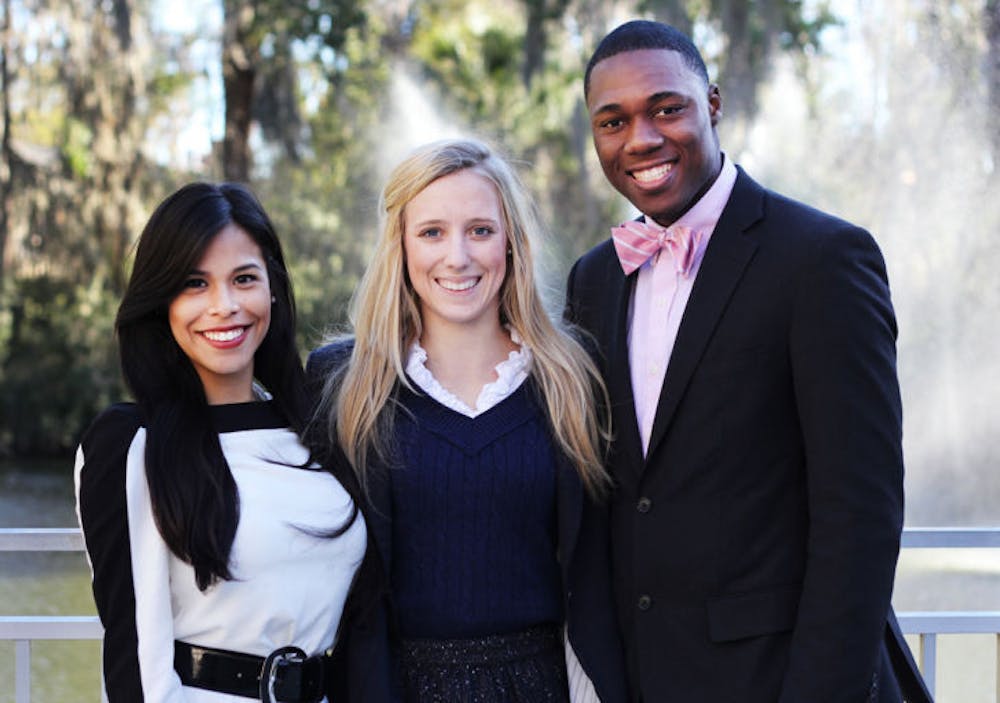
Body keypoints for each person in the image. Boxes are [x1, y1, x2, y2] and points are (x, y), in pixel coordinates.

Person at [564, 19, 932, 703]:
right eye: (612, 121)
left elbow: (862, 516)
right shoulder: (594, 280)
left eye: (665, 108)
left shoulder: (821, 260)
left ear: (712, 103)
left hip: (783, 679)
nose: (640, 139)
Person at [308, 138, 628, 703]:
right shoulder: (344, 383)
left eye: (480, 230)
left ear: (511, 242)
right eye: (431, 232)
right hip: (391, 687)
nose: (457, 256)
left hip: (540, 685)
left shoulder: (571, 377)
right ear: (401, 246)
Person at [74, 182, 366, 702]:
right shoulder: (132, 444)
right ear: (162, 301)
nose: (224, 306)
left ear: (272, 288)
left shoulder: (320, 427)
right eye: (195, 284)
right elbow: (134, 661)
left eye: (244, 279)